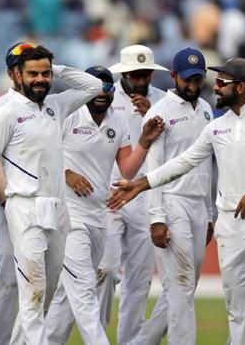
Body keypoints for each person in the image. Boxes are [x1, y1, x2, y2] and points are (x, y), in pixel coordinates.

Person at [108, 58, 245, 345]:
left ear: (241, 87)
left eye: (223, 82)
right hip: (231, 227)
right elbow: (184, 161)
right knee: (236, 310)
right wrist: (141, 183)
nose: (216, 87)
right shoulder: (217, 126)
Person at [0, 45, 103, 344]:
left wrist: (54, 68)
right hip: (24, 208)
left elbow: (95, 86)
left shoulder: (55, 105)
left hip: (57, 208)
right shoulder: (4, 111)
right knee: (32, 294)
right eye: (32, 74)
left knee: (44, 295)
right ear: (15, 74)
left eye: (45, 74)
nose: (40, 79)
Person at [44, 66, 164, 345]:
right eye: (96, 87)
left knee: (68, 293)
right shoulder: (67, 115)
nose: (102, 93)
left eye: (108, 88)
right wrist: (67, 174)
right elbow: (42, 157)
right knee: (87, 287)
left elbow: (126, 171)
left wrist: (144, 142)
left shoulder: (118, 121)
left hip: (99, 214)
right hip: (68, 216)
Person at [130, 48, 214, 345]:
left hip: (198, 207)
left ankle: (140, 343)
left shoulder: (205, 108)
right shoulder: (159, 112)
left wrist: (210, 213)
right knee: (179, 286)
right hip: (171, 204)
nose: (193, 86)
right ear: (175, 76)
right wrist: (156, 219)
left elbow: (207, 164)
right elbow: (153, 168)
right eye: (188, 79)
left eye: (198, 80)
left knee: (185, 286)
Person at [97, 44, 168, 344]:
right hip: (110, 194)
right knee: (106, 269)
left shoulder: (165, 101)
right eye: (133, 74)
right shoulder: (105, 98)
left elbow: (176, 149)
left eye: (144, 74)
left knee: (138, 282)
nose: (139, 80)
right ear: (123, 73)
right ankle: (95, 335)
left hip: (147, 195)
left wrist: (150, 113)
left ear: (151, 73)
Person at [0, 41, 32, 345]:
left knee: (41, 280)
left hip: (44, 203)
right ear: (13, 73)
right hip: (13, 203)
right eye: (22, 68)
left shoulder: (49, 106)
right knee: (9, 279)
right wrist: (6, 198)